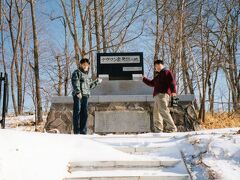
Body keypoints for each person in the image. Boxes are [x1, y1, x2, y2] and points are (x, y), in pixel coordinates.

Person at [142, 60, 177, 133]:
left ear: (160, 64)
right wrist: (143, 78)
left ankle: (172, 128)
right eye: (155, 67)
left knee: (163, 110)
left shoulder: (167, 72)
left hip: (163, 94)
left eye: (156, 66)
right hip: (157, 96)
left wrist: (173, 91)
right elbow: (151, 83)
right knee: (156, 113)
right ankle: (158, 129)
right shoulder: (158, 76)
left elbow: (172, 81)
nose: (156, 68)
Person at [71, 58, 102, 134]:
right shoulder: (76, 72)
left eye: (87, 65)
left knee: (84, 114)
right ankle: (77, 131)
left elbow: (89, 86)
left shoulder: (87, 76)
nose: (85, 66)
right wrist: (78, 91)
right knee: (77, 112)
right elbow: (75, 81)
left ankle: (83, 131)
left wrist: (97, 81)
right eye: (84, 64)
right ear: (81, 65)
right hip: (78, 95)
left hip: (85, 96)